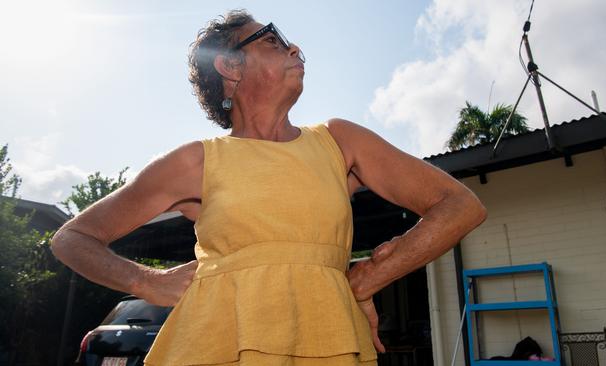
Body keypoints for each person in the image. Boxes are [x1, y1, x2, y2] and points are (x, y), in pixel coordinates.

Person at [50, 10, 487, 366]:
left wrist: (370, 276)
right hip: (213, 347)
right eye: (272, 40)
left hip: (332, 341)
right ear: (229, 65)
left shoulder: (338, 141)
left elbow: (459, 206)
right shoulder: (195, 161)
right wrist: (148, 282)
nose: (296, 48)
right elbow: (72, 238)